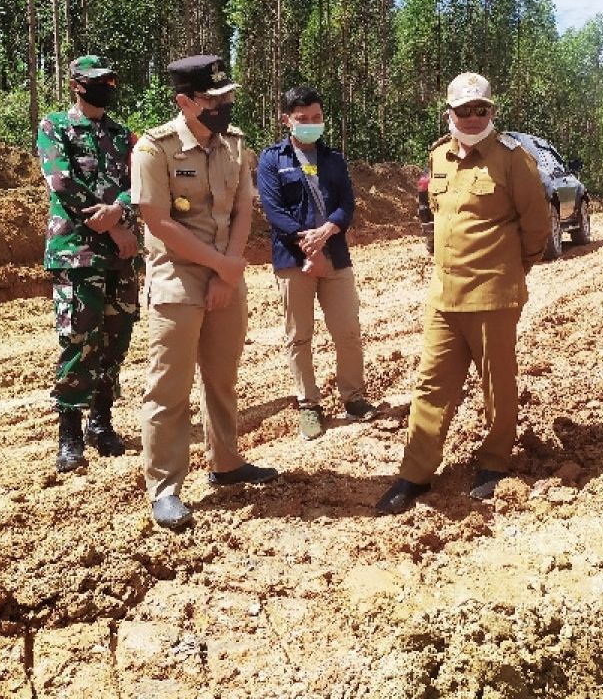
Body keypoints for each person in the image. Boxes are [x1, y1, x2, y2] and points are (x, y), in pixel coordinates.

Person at [375, 72, 551, 515]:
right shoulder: (438, 157)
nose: (472, 118)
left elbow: (536, 227)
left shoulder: (514, 159)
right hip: (444, 297)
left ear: (492, 112)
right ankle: (414, 474)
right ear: (449, 113)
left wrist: (512, 269)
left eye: (481, 110)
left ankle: (494, 463)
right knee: (430, 385)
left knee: (497, 385)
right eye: (463, 110)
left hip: (493, 296)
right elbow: (434, 220)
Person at [130, 54, 279, 530]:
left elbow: (241, 210)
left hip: (224, 272)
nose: (224, 106)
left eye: (227, 97)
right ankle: (165, 490)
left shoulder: (235, 144)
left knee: (222, 376)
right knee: (168, 388)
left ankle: (227, 463)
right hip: (177, 275)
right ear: (186, 102)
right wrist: (219, 266)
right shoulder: (154, 149)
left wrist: (228, 272)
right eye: (213, 100)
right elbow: (157, 221)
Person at [256, 86, 378, 441]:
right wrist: (307, 245)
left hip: (335, 255)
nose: (311, 124)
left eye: (316, 118)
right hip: (293, 260)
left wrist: (325, 233)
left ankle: (354, 398)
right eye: (302, 119)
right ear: (286, 120)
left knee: (348, 331)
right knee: (299, 337)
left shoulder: (334, 159)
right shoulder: (271, 160)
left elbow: (346, 205)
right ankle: (309, 405)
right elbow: (273, 210)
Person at [37, 55, 140, 473]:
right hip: (76, 252)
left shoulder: (124, 136)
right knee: (80, 340)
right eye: (98, 81)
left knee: (117, 338)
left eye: (111, 81)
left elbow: (145, 182)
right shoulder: (55, 127)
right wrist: (113, 228)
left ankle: (101, 421)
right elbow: (62, 182)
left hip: (121, 258)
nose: (107, 87)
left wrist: (122, 211)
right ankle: (70, 432)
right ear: (77, 85)